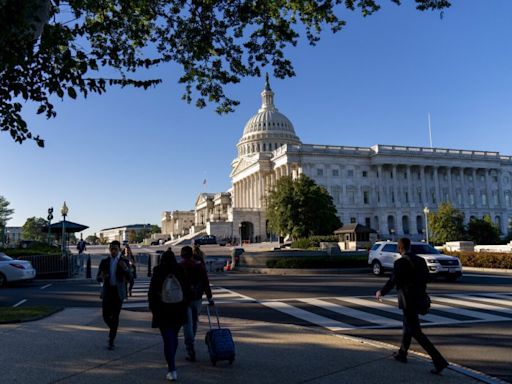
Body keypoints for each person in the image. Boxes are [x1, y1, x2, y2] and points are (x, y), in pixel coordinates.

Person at [376, 237, 449, 374]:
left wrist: (381, 292)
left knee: (416, 332)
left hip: (407, 300)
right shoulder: (421, 260)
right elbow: (427, 279)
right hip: (419, 298)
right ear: (410, 247)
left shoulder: (399, 263)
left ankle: (439, 361)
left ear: (399, 248)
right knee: (407, 327)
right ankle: (402, 354)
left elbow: (393, 281)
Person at [148, 250, 189, 382]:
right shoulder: (180, 270)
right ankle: (172, 361)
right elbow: (186, 289)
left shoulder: (158, 270)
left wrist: (153, 308)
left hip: (162, 309)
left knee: (167, 338)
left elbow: (152, 291)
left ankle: (172, 368)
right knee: (174, 336)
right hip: (178, 308)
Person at [180, 245, 214, 362]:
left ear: (182, 255)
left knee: (187, 324)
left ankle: (190, 347)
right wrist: (209, 298)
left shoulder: (179, 267)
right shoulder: (199, 266)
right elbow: (205, 282)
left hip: (184, 299)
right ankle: (191, 342)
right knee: (194, 322)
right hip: (197, 297)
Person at [96, 240, 132, 350]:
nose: (113, 251)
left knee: (115, 316)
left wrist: (125, 268)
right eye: (111, 249)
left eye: (115, 249)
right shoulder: (104, 261)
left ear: (119, 249)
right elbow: (98, 278)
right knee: (105, 315)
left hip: (118, 293)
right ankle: (114, 328)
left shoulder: (124, 261)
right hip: (108, 291)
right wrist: (101, 277)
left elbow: (131, 277)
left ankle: (111, 340)